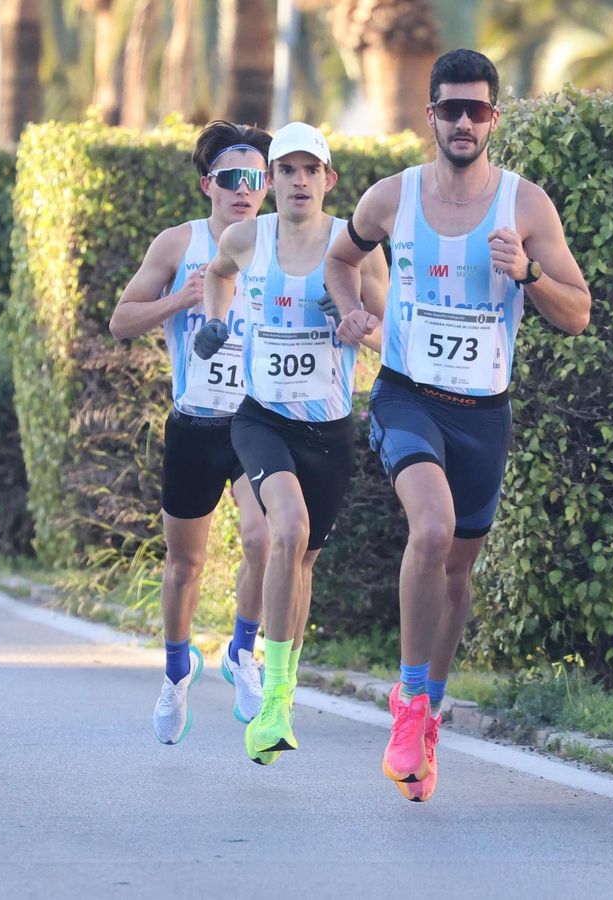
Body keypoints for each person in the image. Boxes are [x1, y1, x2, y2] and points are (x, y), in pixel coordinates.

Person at [324, 49, 593, 801]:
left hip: (485, 415)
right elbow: (341, 260)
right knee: (432, 529)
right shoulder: (391, 197)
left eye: (478, 110)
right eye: (452, 109)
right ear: (432, 115)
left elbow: (578, 314)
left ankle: (431, 711)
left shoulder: (526, 207)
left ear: (494, 119)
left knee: (457, 572)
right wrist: (353, 308)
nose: (465, 122)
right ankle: (408, 704)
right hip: (408, 398)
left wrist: (530, 275)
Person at [196, 122, 390, 765]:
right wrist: (217, 322)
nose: (299, 180)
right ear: (271, 181)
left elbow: (390, 331)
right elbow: (217, 273)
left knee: (302, 559)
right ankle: (273, 696)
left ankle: (283, 681)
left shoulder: (352, 246)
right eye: (287, 170)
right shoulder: (247, 237)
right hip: (261, 419)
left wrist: (362, 325)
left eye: (312, 170)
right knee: (287, 530)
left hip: (329, 427)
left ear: (329, 180)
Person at [107, 120, 273, 745]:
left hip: (258, 423)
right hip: (195, 423)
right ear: (208, 185)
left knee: (264, 536)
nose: (245, 190)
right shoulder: (178, 245)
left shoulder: (283, 244)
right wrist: (181, 301)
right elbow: (122, 321)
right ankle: (177, 671)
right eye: (232, 179)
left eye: (256, 179)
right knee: (185, 564)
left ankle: (242, 649)